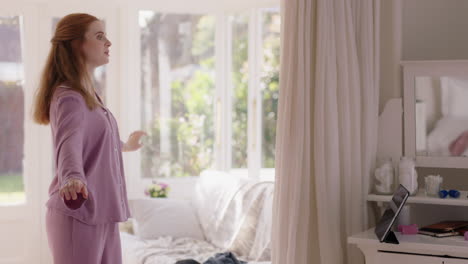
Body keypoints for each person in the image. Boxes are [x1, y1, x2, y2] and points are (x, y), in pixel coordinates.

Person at [31, 13, 147, 264]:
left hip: (103, 211)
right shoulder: (69, 97)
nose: (109, 42)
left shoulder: (89, 95)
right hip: (79, 213)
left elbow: (92, 143)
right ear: (76, 44)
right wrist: (72, 176)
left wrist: (126, 145)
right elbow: (68, 143)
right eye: (99, 36)